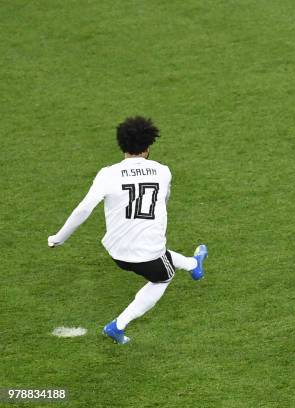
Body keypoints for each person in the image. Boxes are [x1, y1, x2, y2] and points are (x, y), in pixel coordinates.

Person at [48, 116, 208, 344]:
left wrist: (59, 238)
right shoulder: (163, 171)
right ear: (148, 146)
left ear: (121, 144)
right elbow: (164, 199)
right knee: (163, 277)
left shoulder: (107, 174)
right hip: (148, 253)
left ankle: (194, 265)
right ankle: (117, 325)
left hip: (116, 252)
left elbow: (83, 209)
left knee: (160, 255)